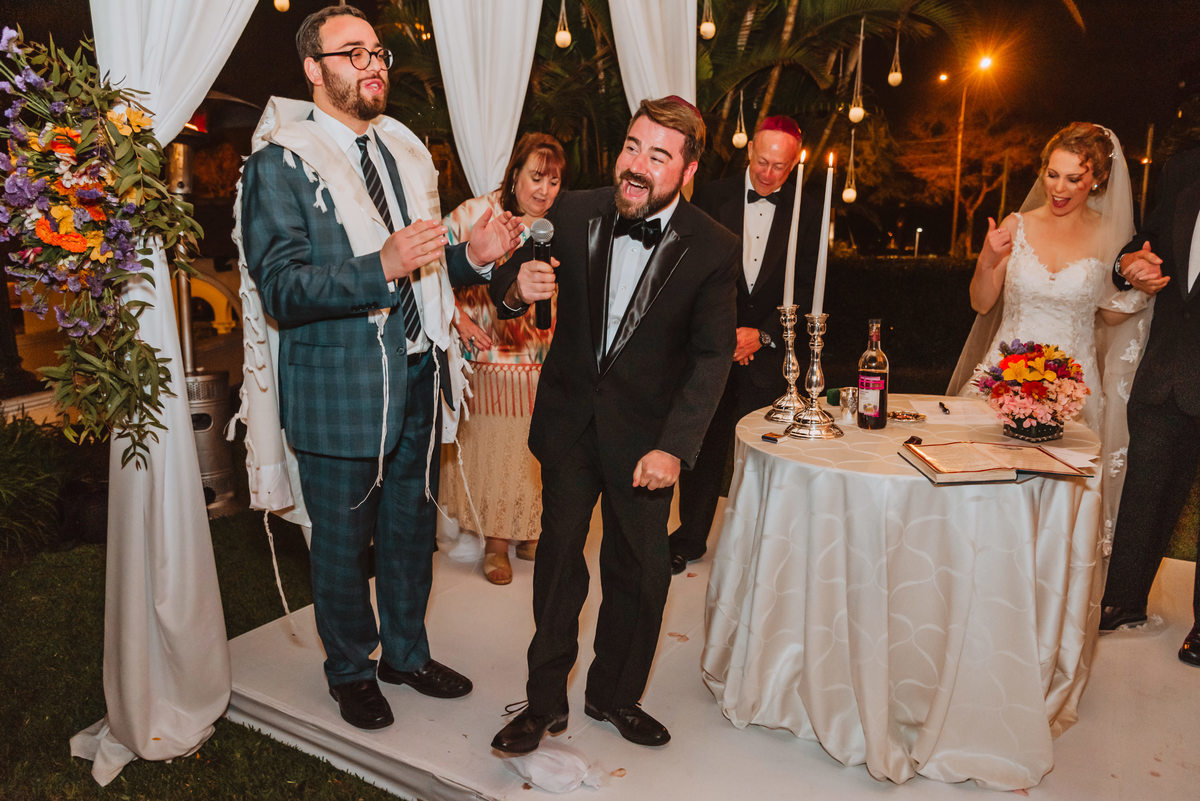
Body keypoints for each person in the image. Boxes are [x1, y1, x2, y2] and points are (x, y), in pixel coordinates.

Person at [237, 5, 521, 730]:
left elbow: (424, 269)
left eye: (377, 52)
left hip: (419, 374)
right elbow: (282, 288)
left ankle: (406, 653)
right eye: (352, 52)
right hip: (340, 387)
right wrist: (380, 266)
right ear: (314, 69)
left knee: (408, 533)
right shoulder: (279, 163)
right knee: (341, 546)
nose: (373, 65)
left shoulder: (402, 150)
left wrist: (471, 259)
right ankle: (350, 670)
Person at [487, 96, 738, 753]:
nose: (636, 165)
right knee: (558, 567)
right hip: (570, 423)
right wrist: (516, 289)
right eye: (632, 146)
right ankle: (544, 703)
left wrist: (675, 446)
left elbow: (712, 359)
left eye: (657, 155)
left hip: (647, 442)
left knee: (641, 573)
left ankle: (613, 695)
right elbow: (507, 281)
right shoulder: (573, 210)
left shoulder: (713, 247)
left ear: (687, 170)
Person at [949, 122, 1164, 550]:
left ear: (1097, 180)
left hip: (1073, 391)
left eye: (1073, 179)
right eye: (1052, 174)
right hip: (1002, 380)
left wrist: (1139, 289)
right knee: (986, 497)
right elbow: (981, 302)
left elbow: (1109, 315)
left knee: (1054, 515)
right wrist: (988, 259)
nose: (1058, 188)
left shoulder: (1111, 235)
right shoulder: (1017, 224)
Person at [670, 115, 821, 574]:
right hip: (715, 348)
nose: (768, 173)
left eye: (780, 166)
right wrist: (725, 332)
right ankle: (689, 538)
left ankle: (758, 546)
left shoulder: (810, 211)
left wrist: (765, 334)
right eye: (762, 161)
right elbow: (691, 273)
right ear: (750, 149)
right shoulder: (710, 197)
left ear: (794, 165)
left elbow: (812, 286)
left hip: (772, 356)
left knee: (764, 454)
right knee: (702, 449)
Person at [440, 133, 566, 585]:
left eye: (554, 181)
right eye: (536, 177)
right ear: (514, 175)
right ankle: (496, 543)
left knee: (533, 455)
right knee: (497, 454)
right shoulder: (476, 213)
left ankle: (527, 529)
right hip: (489, 360)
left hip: (542, 363)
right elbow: (429, 267)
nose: (544, 191)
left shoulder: (557, 226)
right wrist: (456, 319)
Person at [1099, 146, 1200, 667]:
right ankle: (1123, 600)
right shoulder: (1184, 166)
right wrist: (1128, 264)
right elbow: (1149, 241)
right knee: (1145, 488)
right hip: (1169, 369)